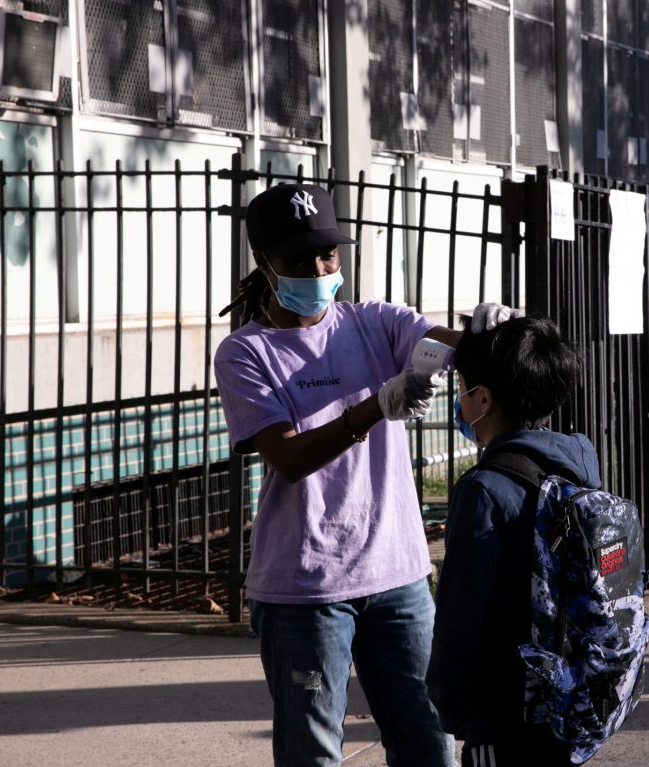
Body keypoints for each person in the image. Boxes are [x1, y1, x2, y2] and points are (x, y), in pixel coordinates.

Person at [214, 182, 517, 766]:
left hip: (397, 577)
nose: (319, 269)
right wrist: (375, 407)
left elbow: (443, 344)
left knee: (431, 746)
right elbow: (290, 457)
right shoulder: (245, 353)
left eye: (328, 254)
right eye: (298, 259)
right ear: (264, 263)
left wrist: (489, 334)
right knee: (314, 754)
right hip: (306, 590)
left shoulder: (374, 322)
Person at [427, 315, 595, 767]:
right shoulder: (577, 459)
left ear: (482, 399)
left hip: (502, 710)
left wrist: (452, 706)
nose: (457, 398)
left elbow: (460, 615)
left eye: (461, 387)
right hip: (567, 692)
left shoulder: (483, 490)